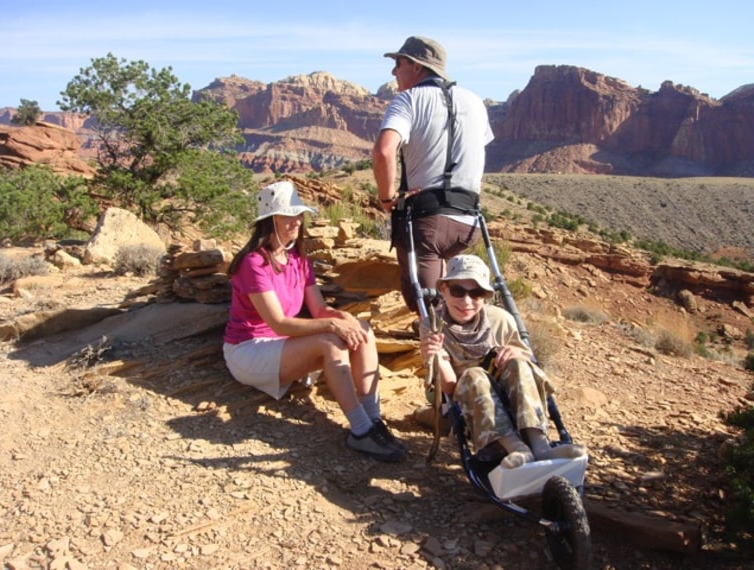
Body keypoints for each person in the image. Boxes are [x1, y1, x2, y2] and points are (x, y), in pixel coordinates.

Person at [223, 180, 407, 463]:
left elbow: (319, 310)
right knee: (330, 342)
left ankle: (373, 422)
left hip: (282, 346)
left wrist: (343, 318)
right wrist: (333, 326)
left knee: (363, 330)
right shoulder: (254, 263)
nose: (296, 221)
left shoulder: (297, 259)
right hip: (248, 350)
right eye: (288, 215)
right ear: (269, 220)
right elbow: (280, 324)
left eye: (298, 214)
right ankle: (360, 431)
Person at [420, 254, 586, 469]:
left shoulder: (500, 319)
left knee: (517, 363)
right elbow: (450, 387)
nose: (466, 301)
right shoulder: (433, 325)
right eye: (458, 291)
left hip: (509, 392)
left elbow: (528, 358)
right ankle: (516, 448)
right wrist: (435, 357)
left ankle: (540, 446)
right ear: (443, 290)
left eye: (476, 293)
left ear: (485, 296)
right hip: (471, 400)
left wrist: (517, 353)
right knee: (474, 374)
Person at [373, 36, 494, 314]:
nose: (394, 71)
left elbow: (383, 152)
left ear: (417, 67)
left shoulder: (408, 100)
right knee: (453, 301)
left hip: (428, 222)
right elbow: (477, 148)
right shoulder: (475, 101)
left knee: (428, 308)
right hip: (469, 222)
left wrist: (387, 198)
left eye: (399, 63)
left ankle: (438, 349)